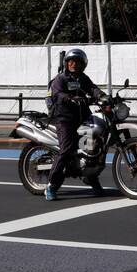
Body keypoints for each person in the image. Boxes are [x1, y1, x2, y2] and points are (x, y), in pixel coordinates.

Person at [44, 48, 106, 201]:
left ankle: (90, 177)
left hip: (83, 117)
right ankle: (51, 186)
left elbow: (92, 89)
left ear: (83, 64)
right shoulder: (61, 79)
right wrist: (70, 98)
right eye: (71, 61)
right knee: (66, 150)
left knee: (94, 145)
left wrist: (103, 96)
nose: (74, 64)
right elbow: (58, 93)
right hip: (64, 119)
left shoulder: (83, 78)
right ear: (66, 63)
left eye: (77, 62)